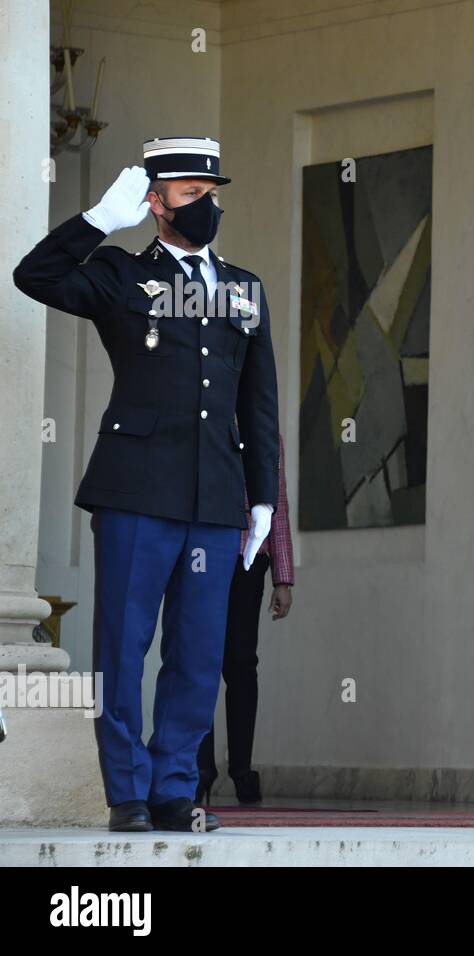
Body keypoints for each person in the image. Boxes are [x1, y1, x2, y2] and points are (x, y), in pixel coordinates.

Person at [12, 137, 279, 833]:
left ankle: (174, 789)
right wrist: (100, 219)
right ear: (155, 203)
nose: (206, 206)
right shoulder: (117, 275)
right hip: (136, 493)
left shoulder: (245, 288)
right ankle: (128, 791)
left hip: (216, 498)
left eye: (211, 193)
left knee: (198, 654)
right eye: (191, 195)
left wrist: (261, 500)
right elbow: (33, 275)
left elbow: (260, 403)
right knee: (123, 648)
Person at [197, 432, 294, 806]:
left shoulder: (268, 436)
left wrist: (283, 578)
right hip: (202, 555)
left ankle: (242, 769)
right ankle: (199, 769)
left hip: (248, 559)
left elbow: (278, 503)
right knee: (199, 659)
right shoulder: (204, 417)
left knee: (240, 663)